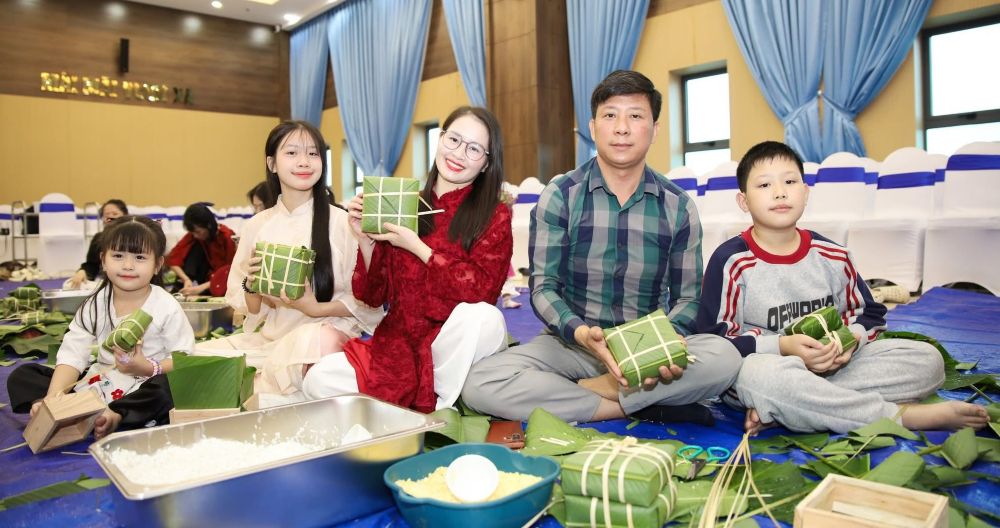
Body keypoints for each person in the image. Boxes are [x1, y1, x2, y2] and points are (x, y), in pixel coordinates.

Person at [462, 70, 741, 424]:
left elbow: (689, 299)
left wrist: (656, 345)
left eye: (635, 116)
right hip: (573, 345)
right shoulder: (560, 196)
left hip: (647, 346)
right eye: (610, 115)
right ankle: (624, 400)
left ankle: (589, 392)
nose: (622, 128)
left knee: (724, 357)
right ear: (594, 128)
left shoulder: (678, 206)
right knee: (481, 383)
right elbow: (544, 288)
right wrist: (579, 331)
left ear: (654, 130)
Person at [696, 141, 989, 434]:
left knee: (928, 360)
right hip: (768, 369)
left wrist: (849, 342)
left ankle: (790, 407)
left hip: (834, 370)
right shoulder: (731, 261)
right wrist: (782, 347)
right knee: (762, 378)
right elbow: (715, 340)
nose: (780, 192)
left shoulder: (832, 255)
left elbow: (869, 315)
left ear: (806, 191)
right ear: (743, 201)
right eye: (764, 185)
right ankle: (902, 417)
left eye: (790, 181)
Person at [303, 106, 513, 413]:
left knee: (485, 318)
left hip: (452, 342)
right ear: (440, 140)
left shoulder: (494, 214)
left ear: (485, 163)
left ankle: (433, 400)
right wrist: (364, 240)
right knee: (318, 381)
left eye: (474, 149)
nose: (459, 154)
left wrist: (419, 248)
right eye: (453, 140)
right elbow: (372, 296)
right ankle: (437, 402)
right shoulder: (403, 202)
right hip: (399, 344)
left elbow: (481, 291)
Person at [195, 121, 383, 397]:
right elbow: (251, 309)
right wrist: (252, 286)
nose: (304, 162)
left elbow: (369, 305)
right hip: (271, 339)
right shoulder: (257, 225)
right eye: (292, 153)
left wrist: (314, 308)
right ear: (272, 163)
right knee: (196, 356)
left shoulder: (345, 223)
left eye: (313, 153)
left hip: (323, 338)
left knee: (312, 344)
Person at [7, 216, 194, 438]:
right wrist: (53, 398)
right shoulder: (96, 302)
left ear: (158, 265)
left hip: (143, 384)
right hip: (100, 380)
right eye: (117, 256)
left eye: (140, 257)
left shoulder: (166, 305)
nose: (128, 265)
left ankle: (115, 415)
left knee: (171, 387)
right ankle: (61, 408)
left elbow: (184, 359)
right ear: (103, 261)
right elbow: (73, 353)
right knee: (23, 374)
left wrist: (146, 368)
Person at [165, 203, 237, 296]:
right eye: (193, 232)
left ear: (209, 225)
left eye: (198, 231)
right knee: (194, 248)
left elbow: (231, 271)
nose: (195, 235)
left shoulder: (227, 237)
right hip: (200, 281)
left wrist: (201, 288)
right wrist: (186, 279)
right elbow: (173, 259)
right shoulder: (195, 236)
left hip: (222, 283)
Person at [65, 199, 128, 289]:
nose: (110, 218)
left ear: (125, 215)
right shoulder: (98, 238)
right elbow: (91, 265)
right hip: (105, 282)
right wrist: (83, 272)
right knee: (69, 285)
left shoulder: (136, 237)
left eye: (115, 214)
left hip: (131, 279)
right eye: (106, 215)